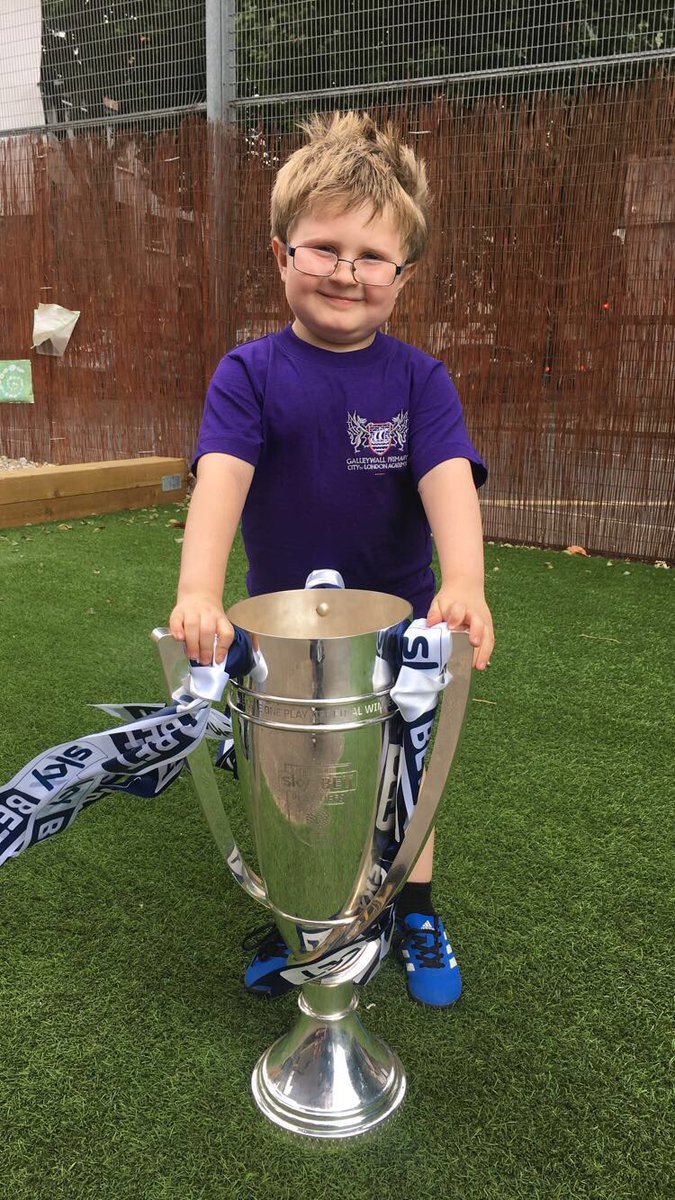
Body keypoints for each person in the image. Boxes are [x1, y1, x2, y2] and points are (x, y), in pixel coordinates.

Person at [170, 111, 494, 1007]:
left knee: (407, 777)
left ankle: (414, 906)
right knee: (301, 787)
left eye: (370, 255)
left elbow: (448, 485)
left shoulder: (420, 381)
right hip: (285, 640)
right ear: (281, 254)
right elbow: (220, 483)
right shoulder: (248, 373)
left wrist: (463, 584)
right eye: (323, 247)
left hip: (401, 633)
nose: (345, 271)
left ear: (403, 274)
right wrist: (199, 590)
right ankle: (314, 923)